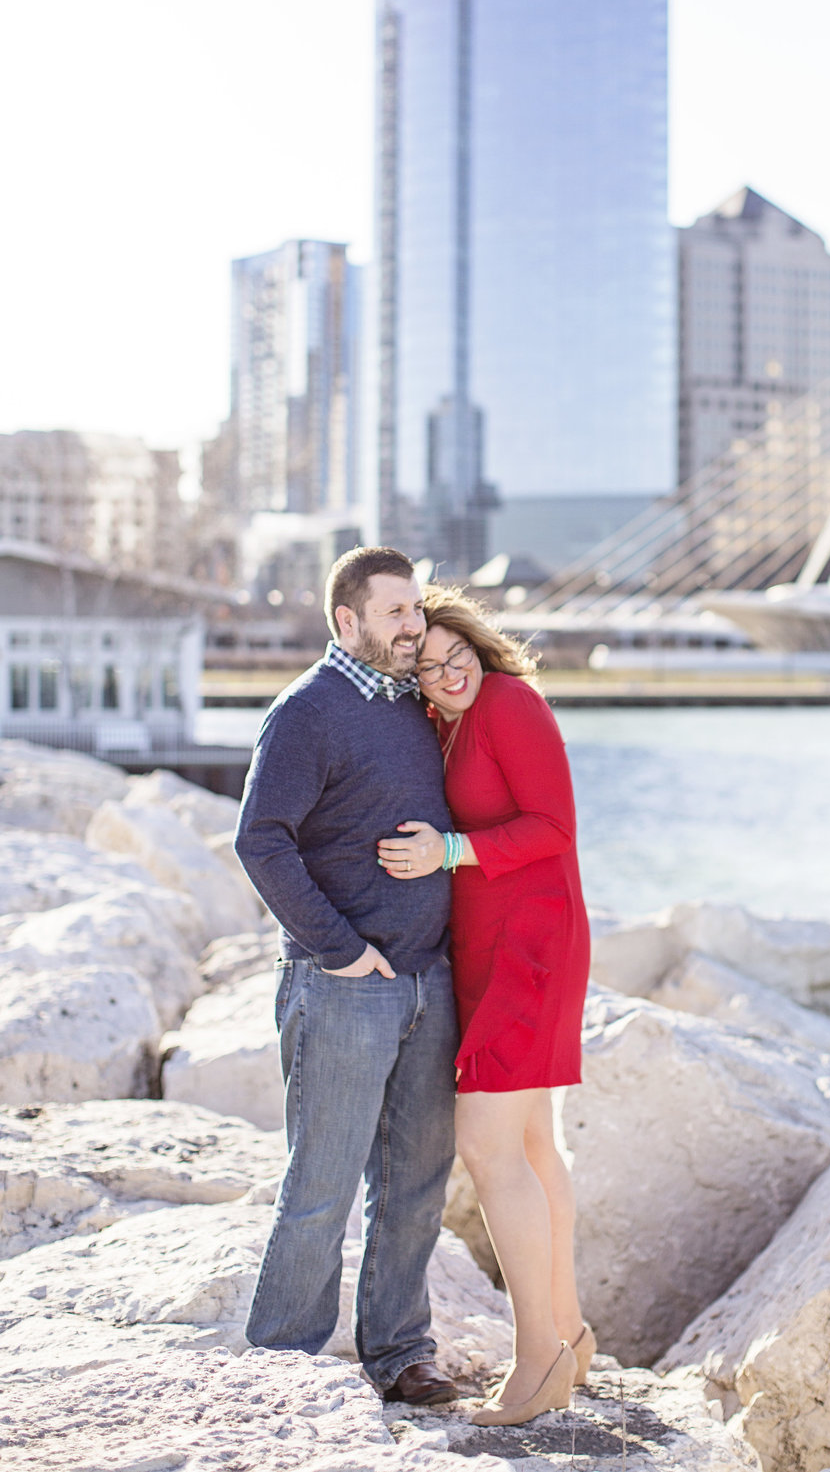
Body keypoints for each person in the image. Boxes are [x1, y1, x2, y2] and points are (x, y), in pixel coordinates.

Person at [234, 547, 460, 1407]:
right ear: (348, 621)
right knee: (320, 1186)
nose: (414, 626)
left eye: (417, 609)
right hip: (343, 984)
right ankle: (283, 1367)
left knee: (416, 1183)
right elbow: (261, 840)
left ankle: (401, 1352)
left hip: (426, 981)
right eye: (396, 612)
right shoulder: (307, 711)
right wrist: (338, 948)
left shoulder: (414, 705)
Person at [376, 585, 592, 1428]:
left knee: (487, 1144)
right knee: (533, 1142)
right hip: (493, 949)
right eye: (425, 666)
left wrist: (449, 850)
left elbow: (555, 826)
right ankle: (569, 1330)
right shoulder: (450, 719)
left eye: (451, 647)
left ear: (475, 636)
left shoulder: (510, 701)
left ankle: (538, 1355)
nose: (445, 668)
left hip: (532, 948)